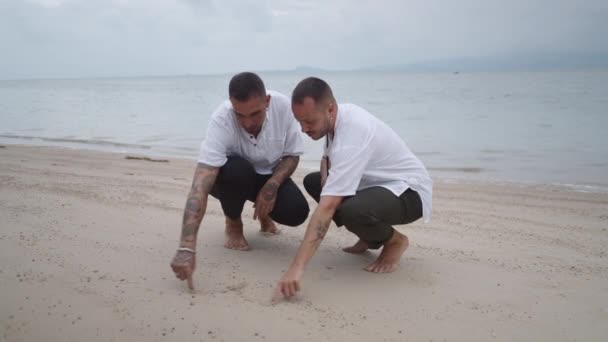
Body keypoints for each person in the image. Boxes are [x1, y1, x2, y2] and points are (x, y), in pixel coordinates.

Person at [273, 77, 433, 301]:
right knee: (315, 182)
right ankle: (369, 237)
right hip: (377, 187)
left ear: (330, 108)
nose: (303, 129)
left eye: (309, 122)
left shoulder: (353, 133)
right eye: (300, 122)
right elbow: (327, 161)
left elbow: (328, 207)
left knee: (350, 209)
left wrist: (296, 268)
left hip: (409, 192)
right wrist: (326, 179)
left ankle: (395, 241)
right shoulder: (337, 118)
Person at [170, 72, 310, 290]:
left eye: (255, 114)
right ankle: (233, 222)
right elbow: (200, 184)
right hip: (231, 178)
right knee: (238, 171)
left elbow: (292, 155)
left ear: (267, 102)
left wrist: (272, 186)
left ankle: (265, 216)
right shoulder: (222, 118)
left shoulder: (283, 107)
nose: (248, 123)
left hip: (268, 174)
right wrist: (186, 247)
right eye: (240, 115)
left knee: (297, 211)